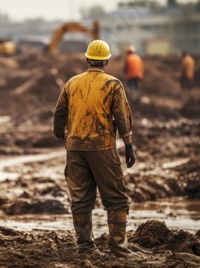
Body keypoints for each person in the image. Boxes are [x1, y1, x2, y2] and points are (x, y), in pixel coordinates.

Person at [53, 40, 142, 258]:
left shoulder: (72, 83)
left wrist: (60, 132)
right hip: (102, 147)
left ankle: (85, 246)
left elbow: (59, 113)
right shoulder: (113, 84)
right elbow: (122, 117)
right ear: (107, 61)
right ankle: (118, 246)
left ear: (87, 59)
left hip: (74, 147)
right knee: (116, 198)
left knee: (80, 199)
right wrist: (129, 146)